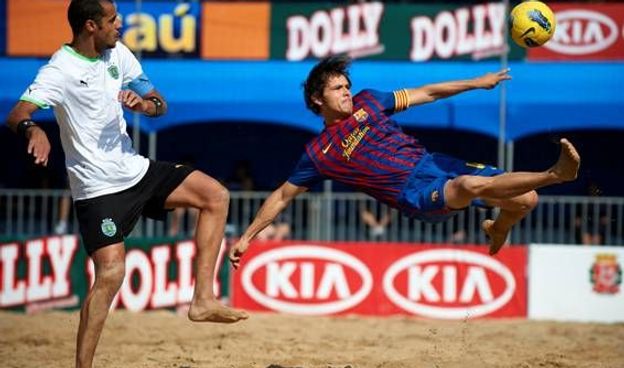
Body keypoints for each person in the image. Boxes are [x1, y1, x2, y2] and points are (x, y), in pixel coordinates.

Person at [5, 1, 247, 367]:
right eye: (112, 19)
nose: (121, 24)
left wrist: (145, 106)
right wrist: (34, 129)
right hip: (97, 188)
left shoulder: (118, 52)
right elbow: (17, 113)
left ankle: (202, 300)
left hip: (135, 169)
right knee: (112, 273)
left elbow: (159, 102)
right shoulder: (60, 69)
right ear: (90, 26)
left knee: (215, 195)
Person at [229, 56, 580, 269]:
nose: (347, 91)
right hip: (413, 194)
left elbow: (426, 92)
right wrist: (247, 237)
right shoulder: (319, 153)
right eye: (338, 88)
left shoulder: (370, 100)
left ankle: (499, 226)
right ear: (317, 99)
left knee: (527, 200)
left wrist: (477, 82)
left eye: (347, 85)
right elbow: (281, 196)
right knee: (468, 186)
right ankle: (555, 174)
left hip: (435, 163)